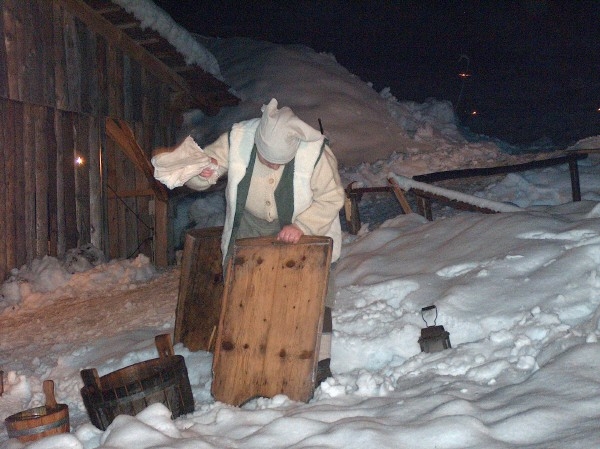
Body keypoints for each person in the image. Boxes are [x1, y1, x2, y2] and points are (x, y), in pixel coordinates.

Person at [181, 98, 345, 384]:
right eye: (266, 159)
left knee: (315, 294)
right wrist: (201, 174)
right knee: (246, 290)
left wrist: (303, 226)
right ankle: (249, 360)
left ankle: (319, 364)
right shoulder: (238, 138)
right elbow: (201, 169)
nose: (271, 165)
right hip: (251, 224)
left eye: (279, 162)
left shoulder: (316, 153)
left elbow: (332, 198)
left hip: (307, 223)